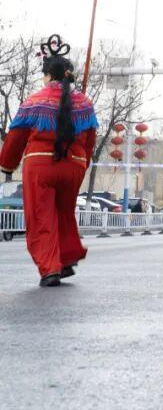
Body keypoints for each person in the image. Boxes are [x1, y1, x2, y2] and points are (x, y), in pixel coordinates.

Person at [0, 35, 98, 287]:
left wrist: (7, 164)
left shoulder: (34, 101)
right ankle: (65, 260)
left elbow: (16, 137)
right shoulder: (84, 103)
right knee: (64, 213)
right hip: (73, 165)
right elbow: (89, 141)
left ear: (47, 74)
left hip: (41, 166)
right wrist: (81, 164)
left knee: (42, 217)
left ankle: (50, 267)